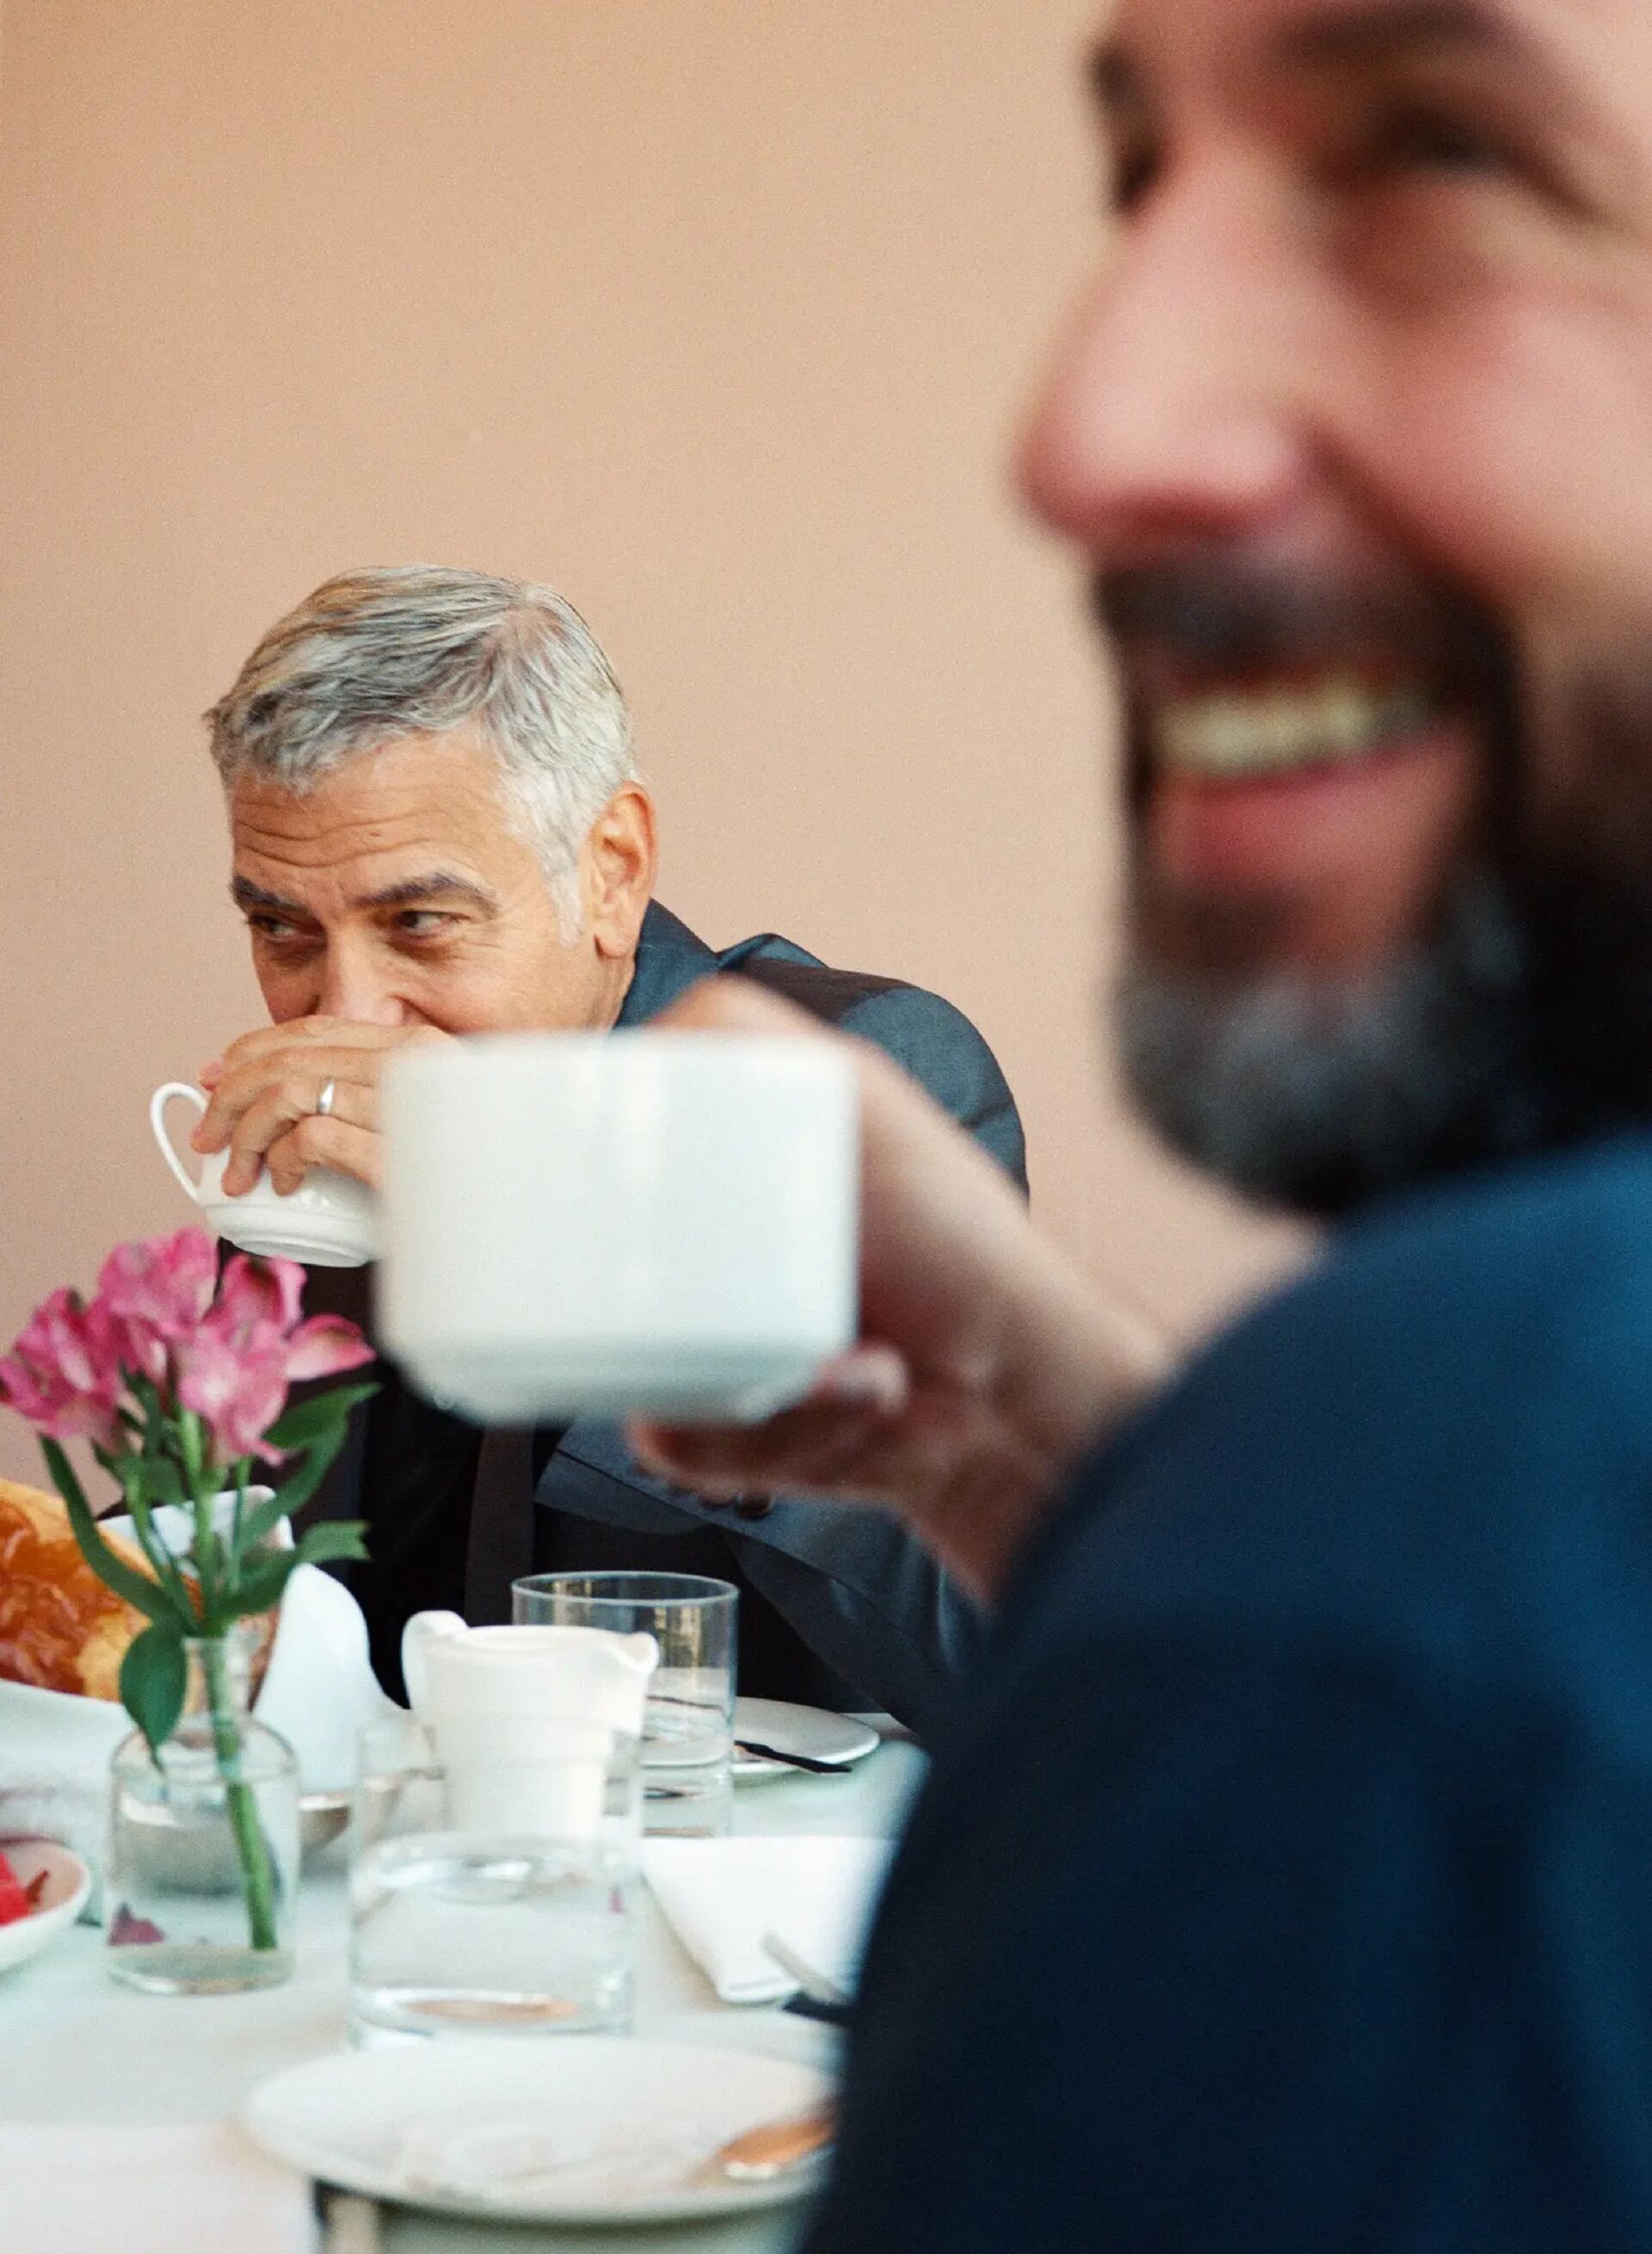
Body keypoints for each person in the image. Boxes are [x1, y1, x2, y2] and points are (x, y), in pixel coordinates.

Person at [634, 0, 1652, 2244]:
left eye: (1439, 154)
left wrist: (1294, 1561)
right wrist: (1070, 1466)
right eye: (1140, 178)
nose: (1080, 428)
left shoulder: (1418, 1544)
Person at [194, 565, 1028, 1723]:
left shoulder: (853, 1089)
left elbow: (1004, 1636)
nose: (348, 1012)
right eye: (283, 930)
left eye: (418, 923)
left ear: (612, 871)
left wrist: (560, 1231)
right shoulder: (315, 1165)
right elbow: (250, 1628)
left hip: (758, 1884)